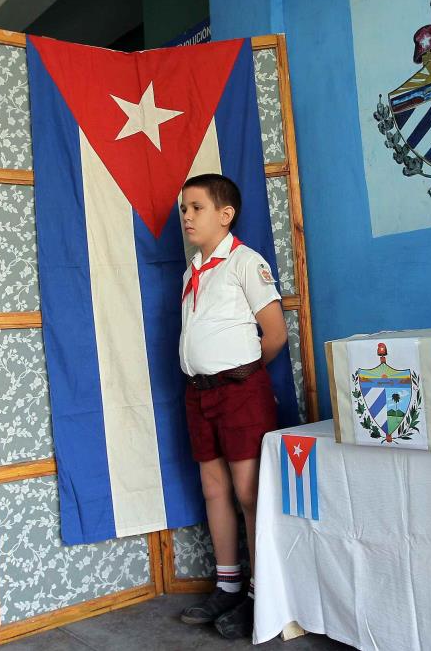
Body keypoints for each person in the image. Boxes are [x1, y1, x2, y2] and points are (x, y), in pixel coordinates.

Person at [177, 173, 288, 640]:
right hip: (199, 393)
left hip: (240, 391)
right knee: (214, 487)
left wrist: (243, 375)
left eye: (197, 208)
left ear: (226, 215)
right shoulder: (191, 271)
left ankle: (261, 595)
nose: (187, 217)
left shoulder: (245, 262)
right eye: (183, 209)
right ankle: (227, 583)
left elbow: (275, 334)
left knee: (248, 492)